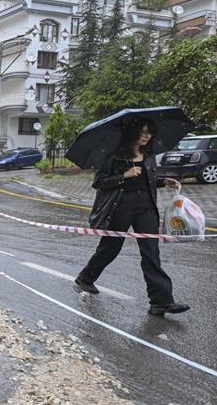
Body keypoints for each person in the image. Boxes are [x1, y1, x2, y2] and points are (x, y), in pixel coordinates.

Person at [74, 118, 190, 316]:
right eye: (143, 132)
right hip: (121, 207)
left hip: (146, 207)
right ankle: (86, 278)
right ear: (133, 133)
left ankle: (160, 301)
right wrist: (124, 176)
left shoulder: (148, 154)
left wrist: (164, 181)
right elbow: (99, 183)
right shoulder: (115, 155)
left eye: (150, 132)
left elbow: (148, 179)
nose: (147, 136)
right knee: (110, 248)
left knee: (151, 252)